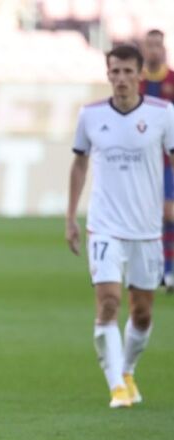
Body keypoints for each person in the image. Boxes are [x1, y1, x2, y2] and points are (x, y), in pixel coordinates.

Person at [66, 45, 174, 408]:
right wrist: (71, 217)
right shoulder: (91, 115)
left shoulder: (162, 114)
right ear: (108, 74)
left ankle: (127, 370)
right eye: (116, 71)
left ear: (139, 75)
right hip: (105, 226)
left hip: (147, 229)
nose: (122, 78)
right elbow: (79, 164)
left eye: (128, 71)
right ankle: (116, 386)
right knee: (109, 301)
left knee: (142, 313)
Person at [140, 29, 174, 291]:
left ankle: (169, 270)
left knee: (169, 213)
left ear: (164, 49)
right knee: (147, 217)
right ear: (143, 49)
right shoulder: (135, 80)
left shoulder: (172, 79)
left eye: (158, 45)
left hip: (167, 158)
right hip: (141, 160)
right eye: (149, 45)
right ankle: (153, 268)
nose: (154, 50)